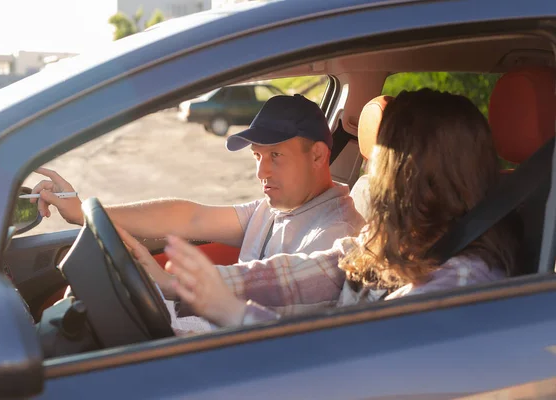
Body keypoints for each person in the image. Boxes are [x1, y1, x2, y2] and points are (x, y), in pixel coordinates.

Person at [123, 88, 521, 327]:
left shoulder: (459, 287)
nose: (371, 174)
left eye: (379, 161)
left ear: (408, 178)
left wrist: (233, 312)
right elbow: (312, 273)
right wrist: (178, 285)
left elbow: (353, 360)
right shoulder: (396, 242)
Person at [32, 94, 364, 299]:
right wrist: (85, 212)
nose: (261, 173)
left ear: (319, 156)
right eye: (257, 157)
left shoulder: (335, 234)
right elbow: (190, 216)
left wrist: (170, 284)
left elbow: (276, 288)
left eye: (275, 156)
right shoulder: (277, 209)